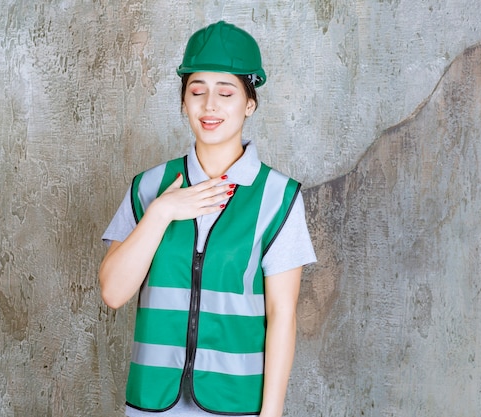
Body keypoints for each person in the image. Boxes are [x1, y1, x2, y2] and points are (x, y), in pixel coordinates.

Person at [99, 21, 316, 417]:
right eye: (197, 91)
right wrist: (162, 212)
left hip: (236, 405)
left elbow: (282, 316)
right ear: (184, 101)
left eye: (226, 92)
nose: (209, 105)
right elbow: (113, 293)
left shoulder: (278, 198)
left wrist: (271, 415)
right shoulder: (149, 187)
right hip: (151, 403)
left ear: (250, 103)